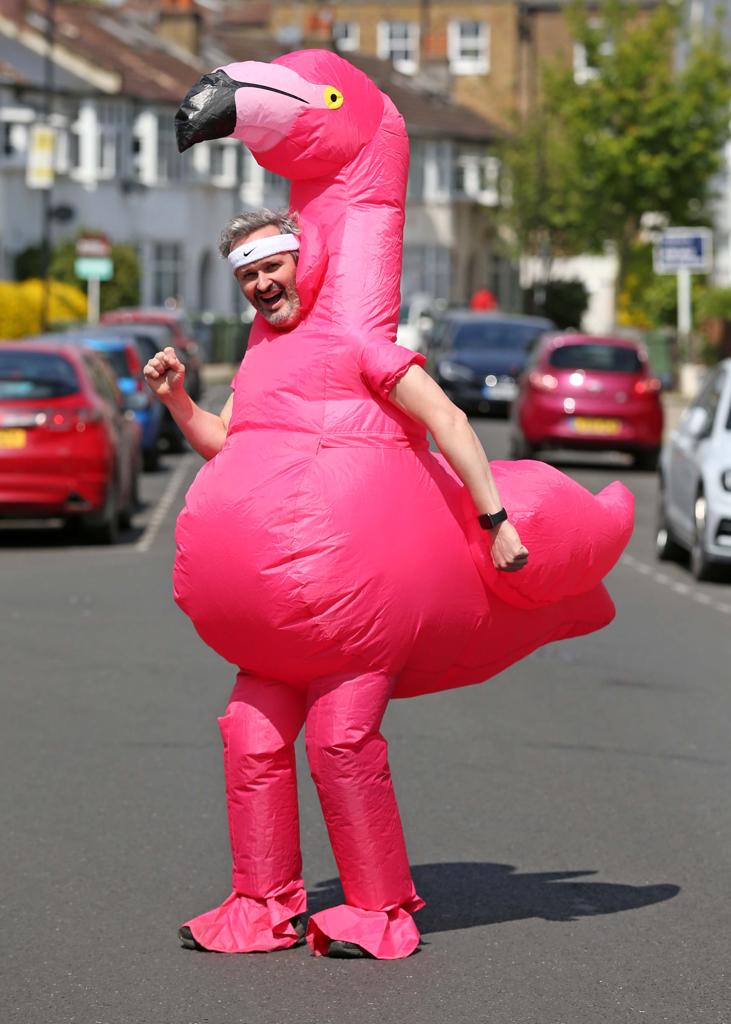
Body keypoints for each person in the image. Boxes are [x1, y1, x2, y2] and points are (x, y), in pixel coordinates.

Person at [143, 210, 529, 960]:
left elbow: (447, 420)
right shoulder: (257, 358)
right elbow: (229, 445)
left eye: (270, 269)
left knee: (339, 739)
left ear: (304, 263)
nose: (261, 285)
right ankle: (261, 902)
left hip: (356, 612)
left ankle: (379, 909)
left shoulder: (359, 341)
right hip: (275, 622)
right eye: (247, 276)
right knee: (247, 736)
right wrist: (178, 402)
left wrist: (495, 521)